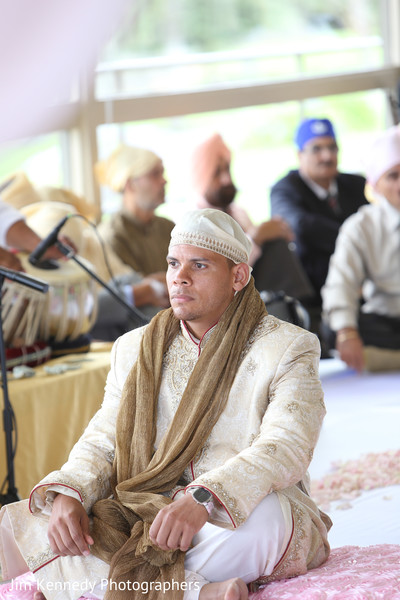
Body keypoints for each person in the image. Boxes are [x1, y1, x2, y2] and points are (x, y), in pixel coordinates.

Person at [0, 209, 331, 600]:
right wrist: (72, 491)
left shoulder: (287, 347)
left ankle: (86, 587)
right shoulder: (134, 347)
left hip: (227, 513)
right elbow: (106, 435)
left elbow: (287, 445)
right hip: (146, 511)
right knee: (41, 519)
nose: (179, 276)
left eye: (200, 265)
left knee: (269, 520)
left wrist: (203, 499)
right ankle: (196, 593)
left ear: (238, 276)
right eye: (174, 263)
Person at [270, 118, 368, 334]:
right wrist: (357, 238)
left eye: (332, 148)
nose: (327, 156)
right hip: (314, 298)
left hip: (367, 286)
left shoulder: (356, 184)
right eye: (317, 149)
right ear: (300, 156)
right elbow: (301, 227)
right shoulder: (285, 190)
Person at [191, 134, 313, 302]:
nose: (227, 179)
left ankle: (302, 311)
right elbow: (215, 278)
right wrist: (255, 237)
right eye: (217, 173)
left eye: (227, 169)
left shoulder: (238, 212)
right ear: (201, 177)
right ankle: (305, 311)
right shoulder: (193, 225)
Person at [321, 124, 400, 373]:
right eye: (393, 176)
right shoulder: (360, 226)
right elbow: (340, 283)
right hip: (385, 323)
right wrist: (347, 332)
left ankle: (383, 361)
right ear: (377, 184)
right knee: (333, 328)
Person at [95, 144, 174, 276]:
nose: (163, 181)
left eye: (162, 173)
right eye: (155, 174)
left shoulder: (168, 228)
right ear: (129, 184)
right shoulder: (113, 236)